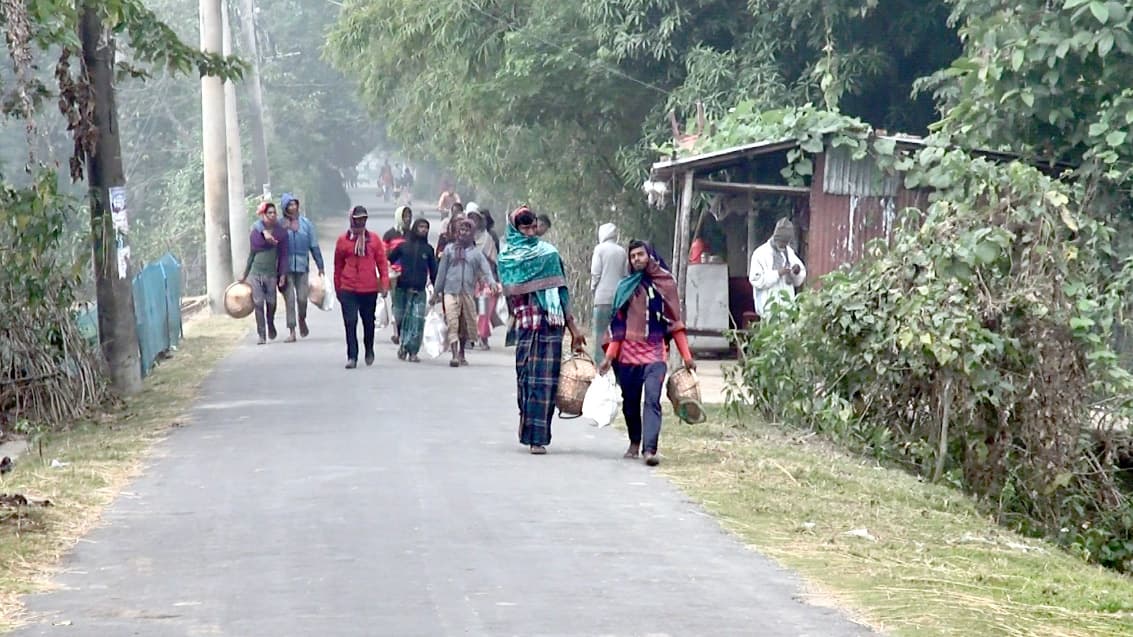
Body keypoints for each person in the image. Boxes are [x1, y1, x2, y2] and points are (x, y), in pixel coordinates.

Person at [499, 206, 587, 455]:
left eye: (531, 226)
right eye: (523, 227)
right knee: (525, 379)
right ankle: (525, 421)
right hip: (526, 326)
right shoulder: (507, 257)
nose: (528, 232)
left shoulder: (549, 254)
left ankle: (538, 437)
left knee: (545, 382)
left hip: (551, 325)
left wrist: (574, 328)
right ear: (515, 228)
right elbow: (509, 295)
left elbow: (561, 292)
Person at [599, 241, 695, 466]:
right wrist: (610, 357)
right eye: (632, 257)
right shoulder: (626, 286)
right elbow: (618, 326)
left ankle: (649, 449)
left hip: (655, 354)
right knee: (630, 402)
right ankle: (634, 441)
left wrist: (687, 357)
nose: (636, 259)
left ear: (650, 255)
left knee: (652, 399)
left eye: (640, 254)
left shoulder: (666, 284)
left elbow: (675, 323)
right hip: (628, 357)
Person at [432, 217, 499, 367]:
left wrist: (492, 282)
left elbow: (485, 269)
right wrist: (436, 292)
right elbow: (441, 273)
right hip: (450, 292)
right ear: (457, 231)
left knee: (464, 325)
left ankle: (461, 352)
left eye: (467, 230)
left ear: (472, 233)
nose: (464, 232)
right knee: (453, 322)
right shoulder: (449, 250)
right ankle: (454, 355)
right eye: (461, 229)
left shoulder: (475, 253)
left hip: (468, 293)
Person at [333, 205, 391, 369]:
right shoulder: (343, 241)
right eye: (358, 219)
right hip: (348, 287)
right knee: (350, 322)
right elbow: (337, 266)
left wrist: (384, 284)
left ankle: (369, 349)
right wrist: (338, 288)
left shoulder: (373, 240)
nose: (360, 222)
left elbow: (382, 263)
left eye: (363, 219)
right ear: (352, 219)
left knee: (368, 322)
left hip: (369, 287)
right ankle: (352, 356)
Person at [271, 193, 325, 342]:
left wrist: (320, 265)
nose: (292, 207)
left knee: (302, 298)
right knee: (290, 299)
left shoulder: (306, 224)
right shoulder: (280, 225)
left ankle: (302, 318)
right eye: (289, 205)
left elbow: (314, 245)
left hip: (302, 266)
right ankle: (292, 330)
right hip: (285, 268)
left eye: (294, 204)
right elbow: (274, 246)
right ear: (284, 208)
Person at [388, 217, 437, 362]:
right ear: (415, 228)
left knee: (417, 321)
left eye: (426, 227)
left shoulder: (428, 250)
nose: (424, 230)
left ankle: (413, 351)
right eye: (421, 227)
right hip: (402, 290)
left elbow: (434, 272)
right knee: (400, 319)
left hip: (419, 291)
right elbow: (388, 260)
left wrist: (436, 291)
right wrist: (390, 275)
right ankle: (403, 346)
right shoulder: (403, 247)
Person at [240, 202, 289, 345]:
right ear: (263, 215)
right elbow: (252, 254)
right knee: (258, 303)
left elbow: (284, 255)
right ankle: (262, 334)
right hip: (256, 273)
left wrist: (283, 274)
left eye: (274, 213)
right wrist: (245, 274)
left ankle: (270, 322)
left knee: (271, 302)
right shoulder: (256, 232)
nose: (272, 215)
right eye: (269, 213)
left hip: (271, 273)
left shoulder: (280, 232)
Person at [748, 217, 806, 318]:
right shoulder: (761, 253)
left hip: (787, 311)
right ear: (775, 238)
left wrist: (796, 272)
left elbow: (800, 276)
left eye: (785, 243)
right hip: (768, 311)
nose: (783, 245)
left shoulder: (789, 253)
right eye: (781, 243)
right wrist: (778, 273)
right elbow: (756, 280)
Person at [590, 222, 627, 363]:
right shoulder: (622, 251)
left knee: (600, 334)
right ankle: (615, 363)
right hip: (619, 300)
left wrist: (594, 289)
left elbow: (596, 273)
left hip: (602, 299)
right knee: (616, 334)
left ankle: (600, 365)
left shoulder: (599, 249)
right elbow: (625, 276)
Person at [468, 206, 500, 349]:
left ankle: (483, 336)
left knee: (483, 310)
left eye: (476, 219)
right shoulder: (464, 237)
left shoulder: (488, 239)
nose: (474, 222)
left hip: (484, 282)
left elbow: (493, 260)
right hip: (467, 280)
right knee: (468, 310)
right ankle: (468, 337)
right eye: (471, 218)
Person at [385, 205, 413, 344]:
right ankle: (397, 332)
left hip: (410, 274)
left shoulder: (413, 235)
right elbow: (384, 256)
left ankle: (405, 331)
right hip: (394, 275)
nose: (407, 219)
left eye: (409, 216)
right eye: (405, 216)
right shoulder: (390, 235)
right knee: (396, 304)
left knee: (408, 304)